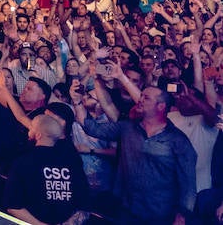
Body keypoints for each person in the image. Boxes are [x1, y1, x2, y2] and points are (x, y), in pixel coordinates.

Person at [79, 82, 196, 225]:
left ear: (161, 106)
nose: (140, 100)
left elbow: (188, 182)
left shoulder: (177, 140)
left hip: (161, 213)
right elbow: (92, 129)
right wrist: (77, 101)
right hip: (128, 208)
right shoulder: (127, 128)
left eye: (146, 98)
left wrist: (182, 215)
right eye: (141, 95)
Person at [3, 111, 91, 225]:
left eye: (31, 129)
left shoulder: (23, 162)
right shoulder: (72, 161)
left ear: (38, 135)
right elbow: (84, 204)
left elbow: (12, 206)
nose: (29, 133)